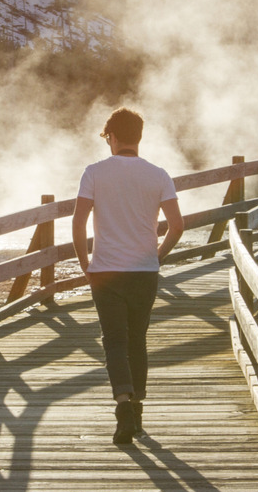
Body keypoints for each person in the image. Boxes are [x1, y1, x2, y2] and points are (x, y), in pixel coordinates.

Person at [73, 107, 185, 444]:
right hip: (144, 271)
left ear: (112, 136)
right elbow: (178, 225)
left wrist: (84, 263)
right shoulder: (158, 175)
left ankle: (123, 407)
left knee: (114, 341)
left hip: (105, 270)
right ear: (139, 137)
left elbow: (78, 223)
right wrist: (157, 255)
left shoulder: (94, 172)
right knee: (137, 340)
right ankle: (136, 409)